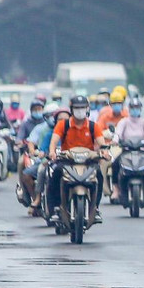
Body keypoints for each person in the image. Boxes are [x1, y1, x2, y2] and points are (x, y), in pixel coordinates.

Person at [50, 94, 106, 224]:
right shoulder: (63, 125)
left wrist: (104, 152)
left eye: (82, 108)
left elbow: (101, 143)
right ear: (71, 109)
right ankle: (56, 208)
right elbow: (54, 141)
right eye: (77, 108)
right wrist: (52, 152)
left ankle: (95, 208)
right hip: (67, 161)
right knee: (56, 173)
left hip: (88, 162)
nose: (80, 111)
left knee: (99, 174)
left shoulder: (93, 126)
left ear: (87, 109)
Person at [110, 96, 144, 202]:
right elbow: (118, 133)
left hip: (143, 151)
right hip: (127, 151)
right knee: (115, 164)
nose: (135, 110)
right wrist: (115, 140)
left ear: (140, 109)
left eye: (137, 108)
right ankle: (116, 188)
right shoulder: (124, 121)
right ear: (129, 109)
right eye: (133, 108)